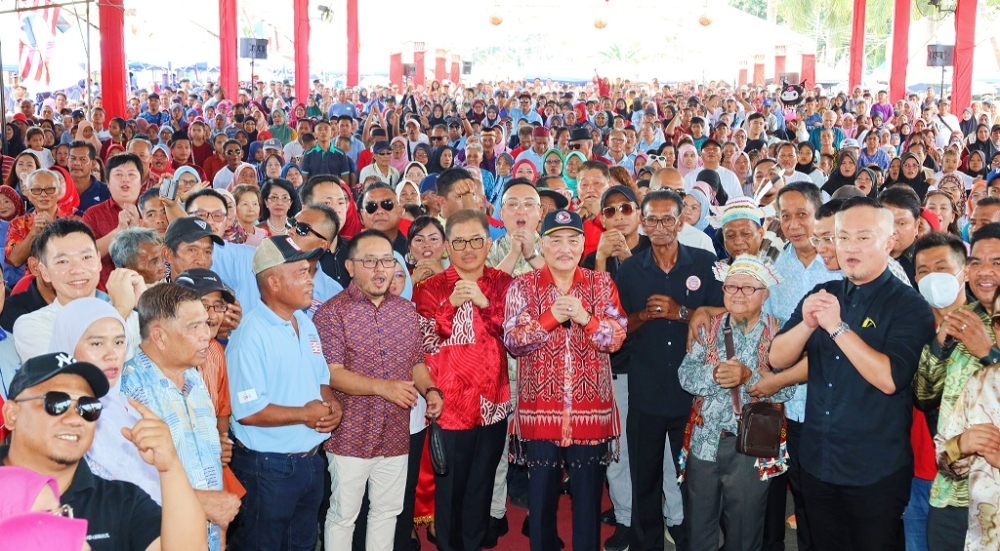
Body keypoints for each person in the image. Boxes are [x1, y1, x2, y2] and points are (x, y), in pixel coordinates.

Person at [768, 197, 935, 550]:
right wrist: (806, 325)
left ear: (889, 243)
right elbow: (777, 358)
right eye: (842, 238)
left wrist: (837, 328)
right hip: (818, 461)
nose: (850, 247)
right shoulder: (823, 292)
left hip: (874, 469)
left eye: (863, 237)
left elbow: (890, 379)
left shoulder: (909, 305)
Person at [504, 208, 627, 551]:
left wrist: (586, 318)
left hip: (591, 414)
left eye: (572, 241)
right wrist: (549, 319)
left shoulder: (601, 284)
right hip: (540, 412)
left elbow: (615, 338)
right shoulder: (522, 286)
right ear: (542, 245)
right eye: (555, 241)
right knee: (540, 501)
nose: (564, 248)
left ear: (583, 244)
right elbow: (513, 341)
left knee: (588, 500)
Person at [0, 351, 208, 550]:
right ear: (11, 414)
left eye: (87, 407)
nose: (74, 419)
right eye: (56, 402)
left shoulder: (122, 502)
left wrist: (170, 468)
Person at [314, 229, 441, 551]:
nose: (380, 269)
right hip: (350, 436)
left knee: (388, 512)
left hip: (396, 432)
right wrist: (382, 388)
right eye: (369, 261)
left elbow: (416, 363)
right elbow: (332, 375)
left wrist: (431, 391)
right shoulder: (331, 314)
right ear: (350, 266)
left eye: (386, 260)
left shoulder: (405, 311)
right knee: (344, 515)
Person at [614, 189, 723, 551]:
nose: (660, 226)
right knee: (643, 479)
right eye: (652, 220)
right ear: (642, 224)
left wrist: (682, 313)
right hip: (644, 391)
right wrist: (644, 316)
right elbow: (615, 329)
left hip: (692, 394)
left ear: (681, 221)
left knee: (693, 480)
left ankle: (694, 542)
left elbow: (724, 323)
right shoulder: (629, 270)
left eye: (668, 219)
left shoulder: (705, 264)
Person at [225, 236, 344, 551]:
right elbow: (248, 411)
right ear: (274, 282)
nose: (310, 280)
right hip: (267, 469)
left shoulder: (305, 324)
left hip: (309, 463)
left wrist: (332, 405)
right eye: (302, 273)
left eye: (310, 272)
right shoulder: (250, 335)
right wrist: (306, 414)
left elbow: (320, 379)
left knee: (302, 545)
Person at [678, 255, 795, 551]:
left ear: (765, 293)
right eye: (731, 287)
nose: (738, 294)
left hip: (752, 445)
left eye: (748, 288)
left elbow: (788, 389)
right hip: (704, 441)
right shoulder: (707, 326)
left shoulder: (779, 333)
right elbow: (685, 375)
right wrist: (716, 374)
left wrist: (748, 376)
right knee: (698, 528)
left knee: (745, 532)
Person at [120, 283, 236, 551]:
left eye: (206, 324)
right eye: (194, 327)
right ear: (159, 337)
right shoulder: (127, 390)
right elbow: (120, 483)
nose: (206, 334)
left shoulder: (194, 377)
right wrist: (199, 502)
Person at [913, 223, 1000, 550]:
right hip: (951, 492)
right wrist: (939, 347)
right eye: (976, 262)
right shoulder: (963, 317)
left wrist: (989, 354)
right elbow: (923, 397)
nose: (984, 271)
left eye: (997, 262)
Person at [13, 218, 144, 361]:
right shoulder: (32, 326)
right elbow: (66, 376)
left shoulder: (131, 317)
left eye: (86, 257)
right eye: (63, 261)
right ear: (44, 272)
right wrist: (121, 309)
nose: (77, 269)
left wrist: (145, 305)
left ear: (99, 261)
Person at [82, 153, 144, 287]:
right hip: (105, 292)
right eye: (119, 174)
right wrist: (119, 231)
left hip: (147, 291)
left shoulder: (151, 211)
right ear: (108, 183)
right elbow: (85, 253)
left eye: (131, 174)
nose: (125, 179)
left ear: (141, 181)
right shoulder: (93, 214)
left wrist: (138, 228)